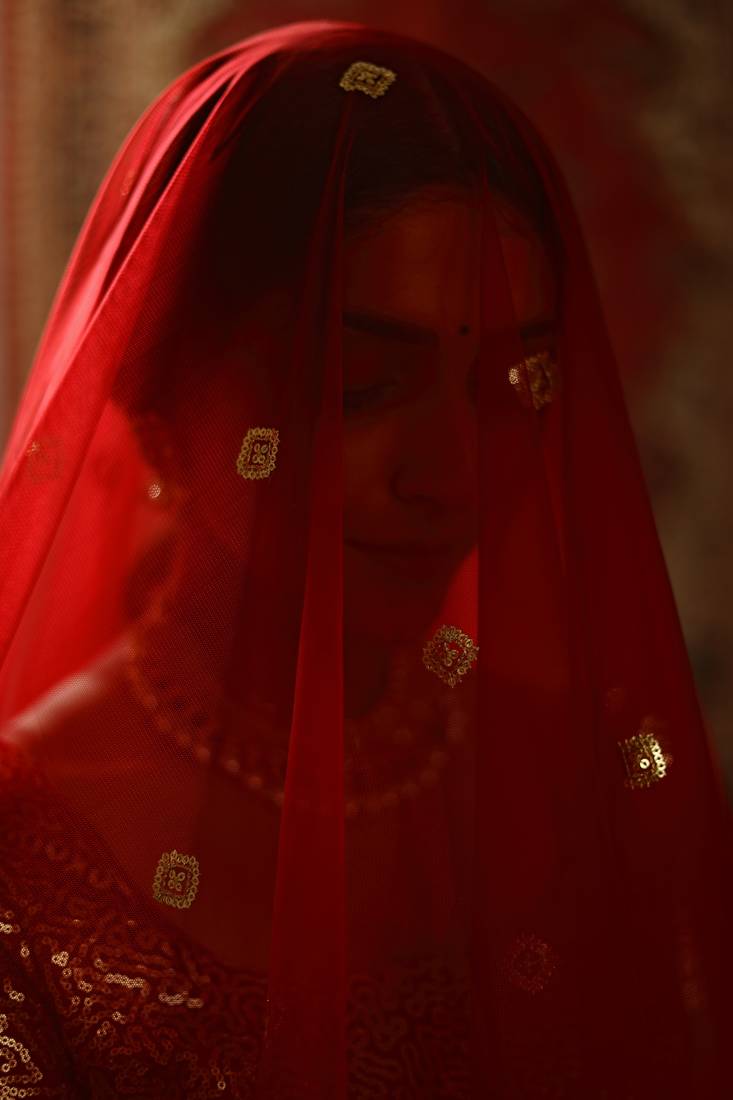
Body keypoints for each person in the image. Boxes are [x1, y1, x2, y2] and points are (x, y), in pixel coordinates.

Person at [0, 20, 730, 1099]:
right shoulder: (23, 856)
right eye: (360, 388)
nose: (453, 475)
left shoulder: (592, 777)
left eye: (511, 385)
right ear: (158, 396)